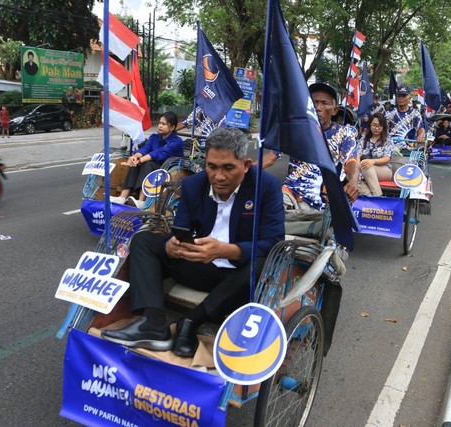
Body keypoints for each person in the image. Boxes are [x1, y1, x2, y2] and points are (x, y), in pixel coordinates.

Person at [101, 127, 285, 357]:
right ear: (205, 163)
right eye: (212, 167)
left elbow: (273, 242)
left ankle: (191, 320)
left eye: (228, 168)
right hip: (198, 265)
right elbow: (181, 229)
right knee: (143, 240)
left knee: (263, 265)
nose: (218, 176)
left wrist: (227, 251)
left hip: (238, 278)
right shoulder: (193, 185)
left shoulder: (266, 188)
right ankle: (153, 322)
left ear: (246, 165)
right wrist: (172, 246)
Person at [262, 82, 360, 209]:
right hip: (290, 193)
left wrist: (353, 181)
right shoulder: (295, 131)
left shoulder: (344, 134)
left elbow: (351, 161)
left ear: (334, 110)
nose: (318, 108)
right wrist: (245, 168)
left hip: (324, 201)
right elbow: (270, 158)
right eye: (314, 102)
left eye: (324, 103)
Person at [110, 112, 184, 208]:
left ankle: (141, 200)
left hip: (168, 168)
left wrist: (140, 160)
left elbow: (158, 153)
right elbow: (145, 149)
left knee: (146, 164)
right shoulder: (154, 137)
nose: (160, 126)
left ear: (172, 127)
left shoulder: (176, 141)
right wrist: (135, 157)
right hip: (153, 164)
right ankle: (123, 196)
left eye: (164, 124)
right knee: (136, 163)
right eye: (159, 123)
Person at [359, 113, 393, 196]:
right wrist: (356, 167)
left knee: (365, 164)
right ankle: (370, 197)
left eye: (379, 126)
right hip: (364, 168)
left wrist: (373, 161)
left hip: (384, 170)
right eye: (374, 125)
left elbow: (387, 158)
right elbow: (357, 153)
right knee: (351, 173)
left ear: (383, 127)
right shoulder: (364, 138)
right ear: (370, 125)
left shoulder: (387, 139)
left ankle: (378, 196)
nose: (376, 128)